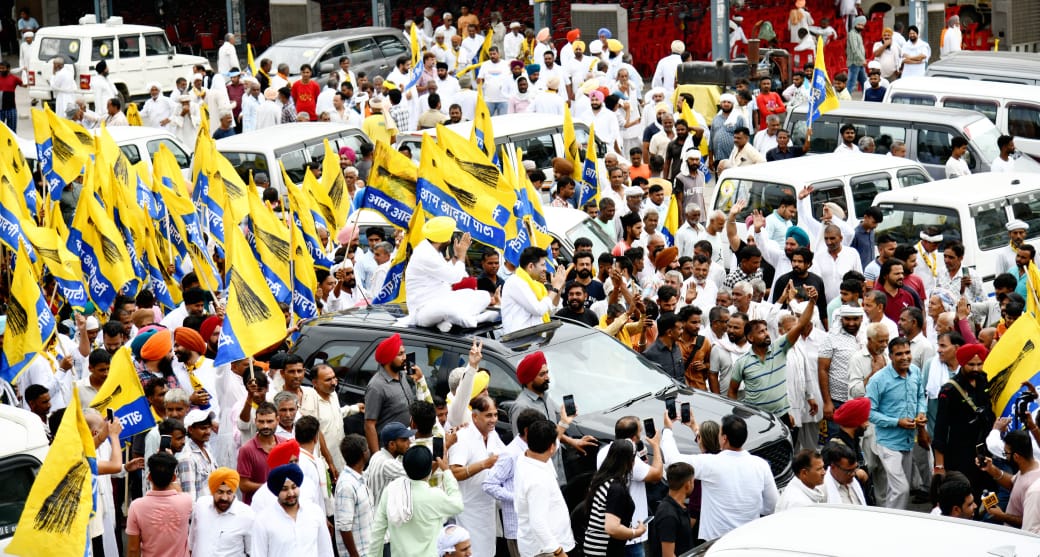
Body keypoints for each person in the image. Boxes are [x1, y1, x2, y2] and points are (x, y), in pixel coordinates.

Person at [660, 412, 778, 540]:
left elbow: (672, 460)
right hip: (750, 538)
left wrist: (667, 429)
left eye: (720, 433)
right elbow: (772, 505)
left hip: (717, 542)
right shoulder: (761, 465)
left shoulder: (711, 464)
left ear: (724, 438)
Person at [729, 284, 819, 423]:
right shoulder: (742, 363)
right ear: (750, 338)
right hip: (756, 419)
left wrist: (812, 301)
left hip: (783, 417)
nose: (766, 334)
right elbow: (733, 391)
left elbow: (801, 324)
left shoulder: (779, 348)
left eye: (766, 330)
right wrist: (735, 417)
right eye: (761, 332)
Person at [369, 445, 464, 557]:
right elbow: (458, 505)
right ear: (430, 469)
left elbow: (377, 532)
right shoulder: (435, 496)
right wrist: (447, 471)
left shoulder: (391, 491)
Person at [867, 337, 927, 509]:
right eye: (899, 354)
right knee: (901, 489)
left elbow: (920, 396)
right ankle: (892, 523)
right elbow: (870, 412)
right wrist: (896, 422)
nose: (905, 357)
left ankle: (893, 518)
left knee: (899, 488)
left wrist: (921, 413)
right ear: (890, 356)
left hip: (908, 441)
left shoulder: (915, 372)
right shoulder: (878, 380)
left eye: (907, 352)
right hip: (888, 442)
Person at [404, 216, 493, 331]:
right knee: (447, 310)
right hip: (423, 310)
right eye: (449, 235)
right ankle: (477, 320)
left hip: (442, 299)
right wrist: (462, 254)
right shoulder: (425, 255)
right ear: (443, 237)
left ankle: (446, 321)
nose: (450, 239)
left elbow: (448, 272)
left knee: (483, 295)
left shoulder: (432, 251)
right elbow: (454, 278)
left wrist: (456, 256)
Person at [448, 396, 505, 557]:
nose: (493, 419)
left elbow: (507, 456)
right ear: (475, 416)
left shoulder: (493, 435)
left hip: (488, 509)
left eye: (495, 415)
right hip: (468, 510)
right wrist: (484, 464)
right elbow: (454, 472)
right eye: (488, 415)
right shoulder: (463, 437)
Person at [515, 420, 577, 557]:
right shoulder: (537, 480)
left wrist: (564, 423)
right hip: (546, 551)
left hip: (546, 545)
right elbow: (537, 523)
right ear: (551, 447)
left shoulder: (526, 456)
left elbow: (553, 443)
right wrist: (558, 551)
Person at [253, 463, 334, 557]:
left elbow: (325, 550)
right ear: (276, 491)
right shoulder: (263, 521)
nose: (291, 493)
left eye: (294, 487)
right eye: (284, 489)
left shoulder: (314, 512)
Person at [583, 440, 646, 557]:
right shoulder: (616, 488)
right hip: (605, 550)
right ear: (629, 461)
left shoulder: (601, 479)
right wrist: (636, 532)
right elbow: (612, 528)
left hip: (593, 546)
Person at [127, 453, 193, 557]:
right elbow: (178, 489)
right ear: (174, 478)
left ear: (149, 477)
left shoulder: (136, 506)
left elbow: (133, 549)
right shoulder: (186, 501)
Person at [979, 430, 1040, 528]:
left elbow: (1029, 523)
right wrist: (990, 468)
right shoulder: (1030, 467)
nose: (1005, 456)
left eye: (1005, 453)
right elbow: (1014, 484)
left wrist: (1002, 516)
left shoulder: (1034, 489)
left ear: (1016, 456)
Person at [189, 468, 254, 556]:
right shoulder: (201, 505)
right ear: (212, 492)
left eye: (229, 492)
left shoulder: (247, 514)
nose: (224, 497)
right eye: (220, 492)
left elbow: (253, 552)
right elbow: (191, 543)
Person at [502, 246, 567, 334]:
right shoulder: (516, 282)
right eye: (543, 265)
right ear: (531, 266)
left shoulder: (536, 285)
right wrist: (555, 288)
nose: (545, 269)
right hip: (519, 342)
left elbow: (551, 310)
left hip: (534, 338)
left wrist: (558, 289)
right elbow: (539, 310)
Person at [336, 433, 373, 557]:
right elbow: (344, 527)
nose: (369, 451)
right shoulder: (347, 485)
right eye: (367, 448)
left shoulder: (359, 478)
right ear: (364, 454)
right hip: (359, 553)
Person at [649, 462, 696, 557]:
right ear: (688, 484)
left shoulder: (679, 507)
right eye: (693, 481)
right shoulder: (668, 515)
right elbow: (668, 555)